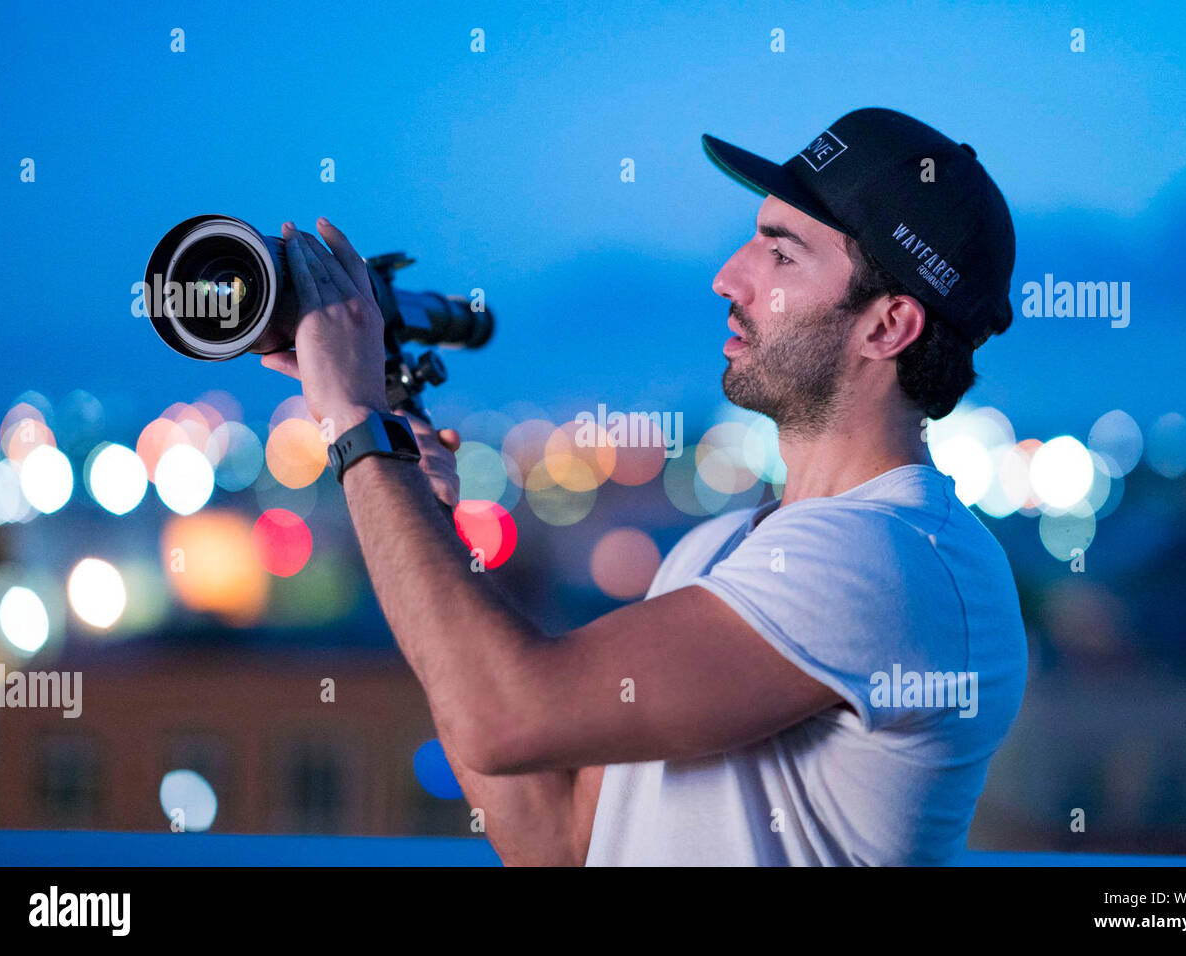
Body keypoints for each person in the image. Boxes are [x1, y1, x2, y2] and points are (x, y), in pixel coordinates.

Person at [261, 107, 1027, 866]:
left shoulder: (898, 562)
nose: (728, 277)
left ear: (888, 327)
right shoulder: (718, 551)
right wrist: (419, 507)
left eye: (782, 256)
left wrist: (356, 420)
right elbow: (554, 838)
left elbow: (500, 714)